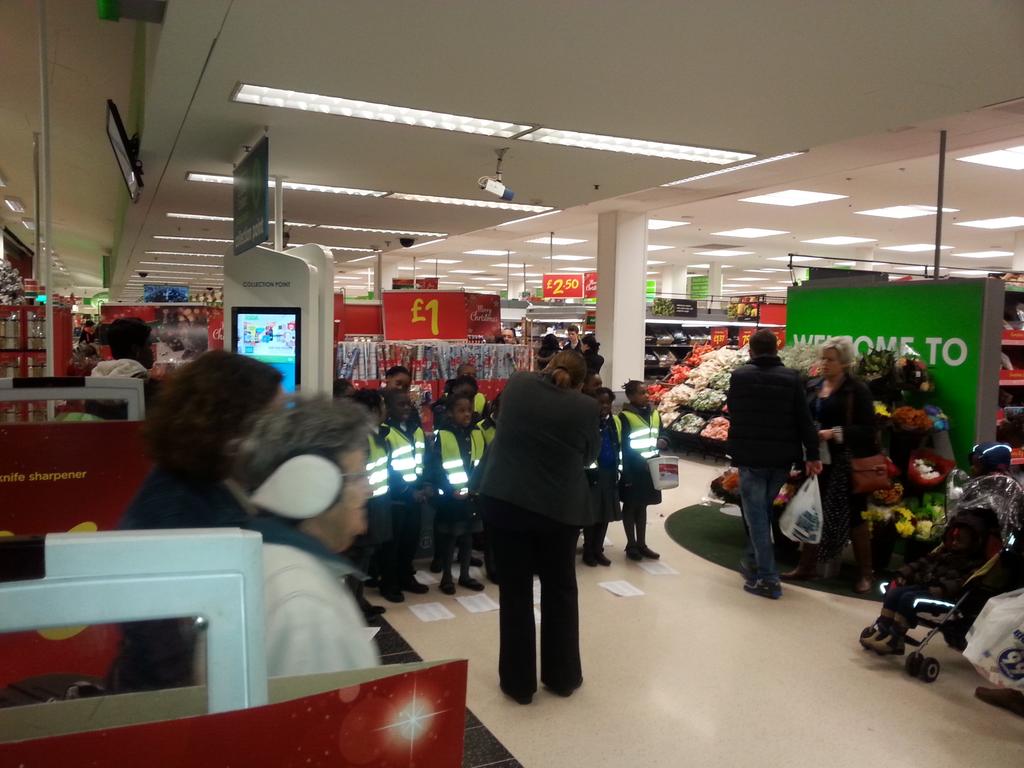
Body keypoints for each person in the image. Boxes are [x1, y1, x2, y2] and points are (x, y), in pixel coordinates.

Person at [109, 351, 283, 692]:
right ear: (232, 427)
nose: (281, 438)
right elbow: (168, 654)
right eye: (272, 423)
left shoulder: (212, 482)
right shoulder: (173, 514)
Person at [474, 350, 599, 705]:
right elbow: (589, 456)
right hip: (558, 511)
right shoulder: (585, 408)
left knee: (515, 594)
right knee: (560, 591)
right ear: (578, 382)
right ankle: (562, 677)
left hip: (506, 502)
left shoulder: (517, 385)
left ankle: (518, 684)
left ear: (547, 367)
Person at [235, 396, 380, 676]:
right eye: (359, 476)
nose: (368, 489)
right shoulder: (305, 610)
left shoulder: (268, 559)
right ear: (313, 483)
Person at [727, 329, 822, 600]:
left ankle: (768, 579)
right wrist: (812, 454)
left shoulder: (740, 376)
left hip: (750, 456)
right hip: (781, 458)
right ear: (776, 349)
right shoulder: (792, 378)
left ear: (752, 350)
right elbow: (804, 419)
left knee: (756, 516)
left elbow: (733, 409)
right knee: (762, 511)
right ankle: (752, 560)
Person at [783, 338, 876, 593]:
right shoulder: (813, 385)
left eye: (830, 359)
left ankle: (865, 574)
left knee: (855, 516)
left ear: (844, 362)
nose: (824, 363)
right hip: (816, 459)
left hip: (845, 462)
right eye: (822, 358)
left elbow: (868, 430)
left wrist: (832, 433)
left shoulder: (857, 390)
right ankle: (807, 565)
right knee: (812, 510)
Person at [859, 509, 993, 655]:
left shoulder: (973, 564)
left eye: (959, 541)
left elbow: (960, 583)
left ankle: (896, 638)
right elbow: (922, 562)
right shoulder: (943, 553)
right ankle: (884, 629)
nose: (954, 543)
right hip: (924, 586)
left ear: (973, 543)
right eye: (952, 539)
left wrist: (940, 589)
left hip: (943, 595)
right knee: (894, 593)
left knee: (908, 598)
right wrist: (904, 573)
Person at [430, 393, 487, 595]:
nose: (466, 414)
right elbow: (436, 467)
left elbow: (482, 462)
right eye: (461, 410)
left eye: (469, 410)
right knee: (450, 537)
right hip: (451, 497)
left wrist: (478, 487)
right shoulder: (443, 435)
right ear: (450, 413)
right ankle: (446, 577)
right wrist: (448, 489)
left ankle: (465, 575)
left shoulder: (477, 433)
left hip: (471, 495)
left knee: (468, 535)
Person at [378, 388, 431, 603]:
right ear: (388, 409)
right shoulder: (384, 432)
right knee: (393, 543)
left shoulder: (416, 430)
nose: (407, 408)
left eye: (408, 404)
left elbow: (425, 461)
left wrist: (426, 485)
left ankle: (406, 576)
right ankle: (389, 583)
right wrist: (409, 492)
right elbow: (387, 468)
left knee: (411, 539)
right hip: (397, 497)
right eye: (401, 405)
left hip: (417, 494)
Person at [344, 388, 392, 619]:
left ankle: (359, 599)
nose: (385, 410)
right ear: (372, 410)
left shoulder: (374, 434)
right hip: (364, 504)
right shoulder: (359, 437)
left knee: (366, 556)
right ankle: (352, 605)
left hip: (376, 501)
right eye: (381, 405)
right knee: (358, 558)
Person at [618, 380, 667, 561]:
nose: (646, 395)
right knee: (631, 505)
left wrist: (664, 440)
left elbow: (662, 432)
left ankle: (642, 543)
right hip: (633, 469)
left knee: (643, 504)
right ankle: (631, 544)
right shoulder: (624, 417)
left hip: (651, 468)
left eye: (646, 392)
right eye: (641, 393)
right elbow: (624, 446)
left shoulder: (654, 414)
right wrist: (627, 472)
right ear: (630, 396)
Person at [582, 387, 621, 567]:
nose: (605, 406)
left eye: (608, 402)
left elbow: (617, 445)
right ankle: (588, 550)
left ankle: (598, 549)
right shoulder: (588, 423)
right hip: (593, 475)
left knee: (605, 514)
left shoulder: (613, 422)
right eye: (601, 402)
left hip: (610, 472)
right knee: (592, 515)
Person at [89, 317, 156, 419]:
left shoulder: (93, 385)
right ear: (136, 350)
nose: (152, 351)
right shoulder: (149, 388)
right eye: (149, 345)